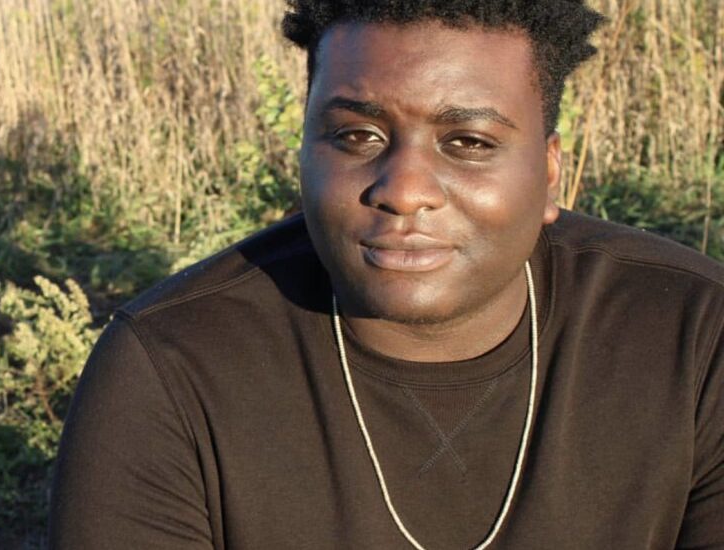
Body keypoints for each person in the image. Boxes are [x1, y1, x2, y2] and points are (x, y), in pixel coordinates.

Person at [48, 1, 724, 548]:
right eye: (355, 137)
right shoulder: (171, 368)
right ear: (303, 151)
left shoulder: (693, 337)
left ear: (549, 173)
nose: (403, 191)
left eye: (468, 143)